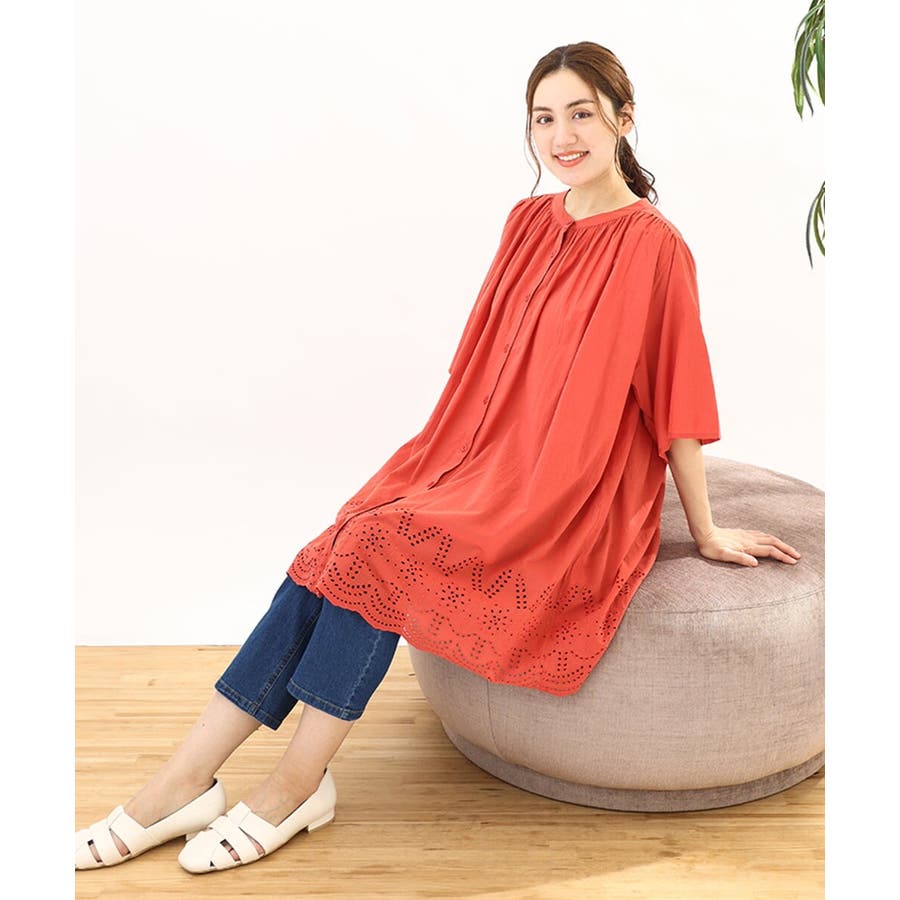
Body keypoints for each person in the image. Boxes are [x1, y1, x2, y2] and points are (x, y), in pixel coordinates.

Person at [75, 41, 802, 874]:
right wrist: (442, 469)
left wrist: (705, 531)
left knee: (378, 550)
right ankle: (184, 781)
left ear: (623, 119)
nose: (561, 136)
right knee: (342, 543)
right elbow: (487, 366)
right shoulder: (528, 222)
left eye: (581, 114)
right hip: (477, 460)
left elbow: (679, 401)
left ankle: (294, 784)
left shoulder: (655, 247)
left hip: (566, 494)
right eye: (544, 118)